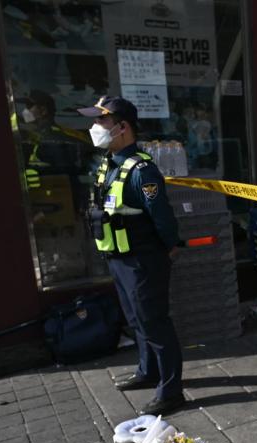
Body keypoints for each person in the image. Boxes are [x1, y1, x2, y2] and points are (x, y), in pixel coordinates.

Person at [77, 96, 185, 415]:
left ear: (122, 127)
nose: (94, 127)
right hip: (119, 258)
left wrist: (170, 245)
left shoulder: (141, 170)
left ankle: (171, 390)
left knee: (155, 322)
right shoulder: (109, 164)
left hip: (143, 261)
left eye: (102, 121)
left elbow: (162, 216)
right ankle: (148, 370)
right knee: (137, 319)